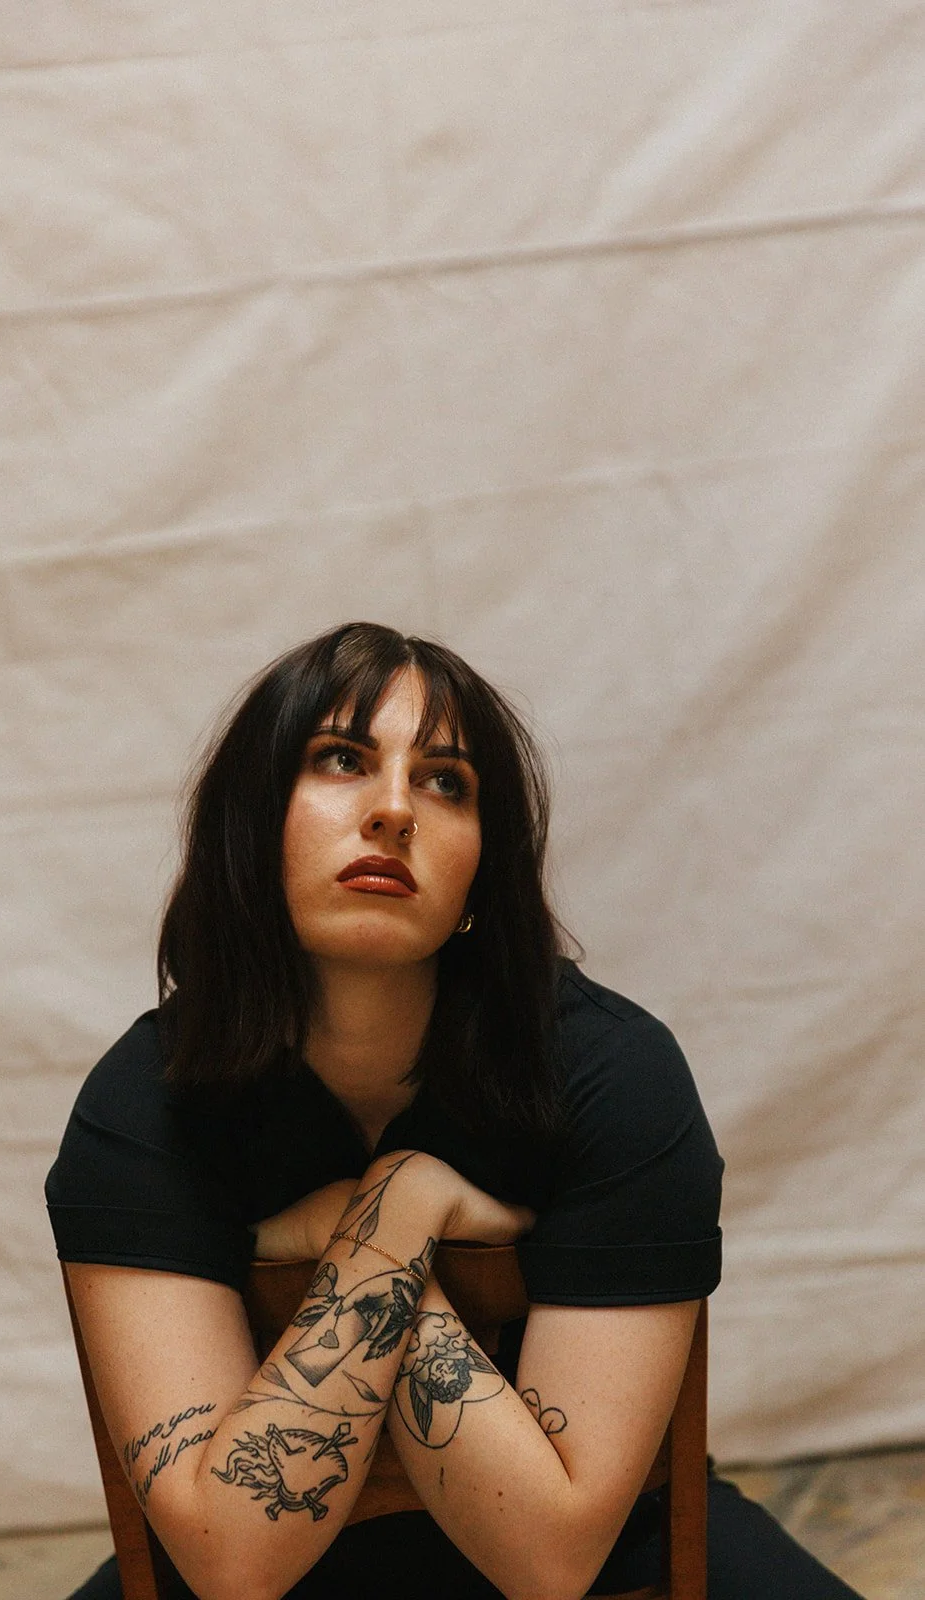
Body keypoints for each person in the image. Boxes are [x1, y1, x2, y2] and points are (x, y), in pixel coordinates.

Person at [47, 621, 862, 1600]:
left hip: (613, 1554)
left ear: (481, 870)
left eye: (445, 782)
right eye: (340, 760)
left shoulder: (610, 1072)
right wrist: (391, 1232)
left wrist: (390, 1207)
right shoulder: (141, 1106)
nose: (394, 808)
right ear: (250, 824)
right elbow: (232, 1563)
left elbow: (550, 1557)